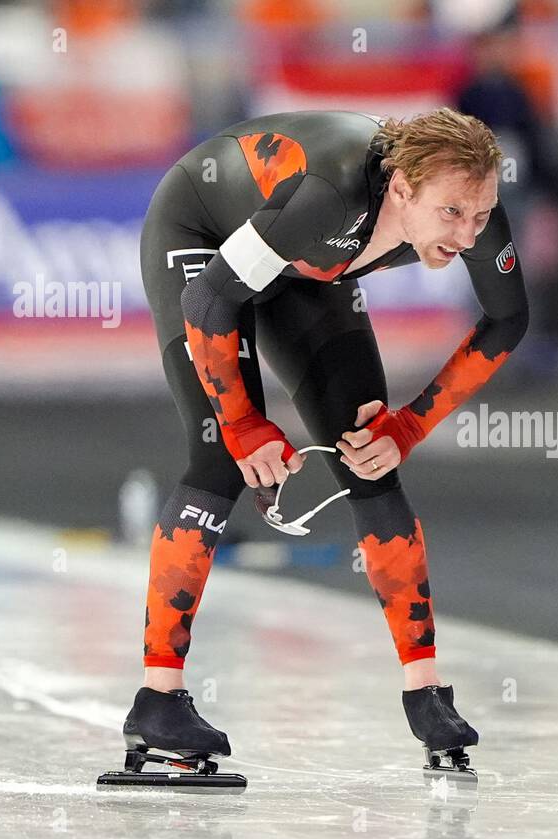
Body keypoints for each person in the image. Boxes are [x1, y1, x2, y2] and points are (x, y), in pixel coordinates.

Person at [119, 108, 527, 784]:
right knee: (218, 453)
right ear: (401, 189)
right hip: (206, 234)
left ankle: (425, 691)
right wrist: (245, 422)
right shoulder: (331, 192)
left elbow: (508, 318)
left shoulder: (471, 203)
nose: (468, 234)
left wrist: (412, 425)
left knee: (368, 445)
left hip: (302, 261)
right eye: (453, 214)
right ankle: (157, 700)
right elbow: (209, 302)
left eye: (481, 217)